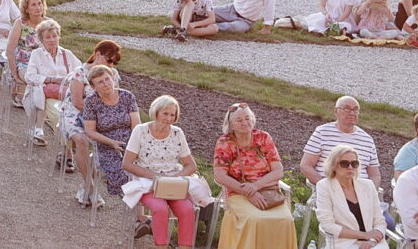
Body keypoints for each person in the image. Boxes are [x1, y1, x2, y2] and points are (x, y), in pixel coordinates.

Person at [122, 95, 210, 247]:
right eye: (165, 113)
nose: (169, 118)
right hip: (148, 183)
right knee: (160, 209)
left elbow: (191, 165)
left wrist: (175, 178)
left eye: (173, 115)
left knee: (188, 210)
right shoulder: (140, 130)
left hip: (173, 183)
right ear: (155, 112)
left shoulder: (177, 133)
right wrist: (155, 177)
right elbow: (127, 164)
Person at [212, 103, 297, 248]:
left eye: (247, 118)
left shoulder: (263, 137)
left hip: (267, 191)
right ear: (230, 125)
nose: (244, 123)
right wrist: (248, 192)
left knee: (286, 220)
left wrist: (255, 186)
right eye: (239, 120)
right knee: (255, 219)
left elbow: (278, 171)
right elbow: (220, 176)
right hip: (238, 193)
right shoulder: (225, 142)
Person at [314, 145, 390, 249]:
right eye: (344, 163)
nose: (350, 167)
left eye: (354, 164)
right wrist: (364, 235)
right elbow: (328, 225)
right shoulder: (324, 186)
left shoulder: (368, 185)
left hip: (373, 244)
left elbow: (379, 221)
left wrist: (372, 241)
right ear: (333, 165)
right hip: (343, 243)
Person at [83, 64, 140, 198]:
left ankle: (140, 211)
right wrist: (112, 143)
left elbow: (137, 125)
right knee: (123, 174)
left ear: (113, 78)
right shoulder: (91, 101)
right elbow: (90, 131)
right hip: (107, 145)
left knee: (144, 172)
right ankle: (136, 211)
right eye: (100, 82)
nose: (105, 84)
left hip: (131, 142)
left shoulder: (127, 96)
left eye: (107, 79)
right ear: (93, 87)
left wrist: (134, 145)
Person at [300, 96, 382, 188]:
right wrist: (325, 186)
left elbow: (375, 175)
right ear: (336, 111)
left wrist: (371, 193)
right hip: (328, 190)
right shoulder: (322, 133)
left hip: (360, 192)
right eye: (347, 109)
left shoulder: (367, 140)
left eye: (355, 110)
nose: (352, 113)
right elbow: (306, 165)